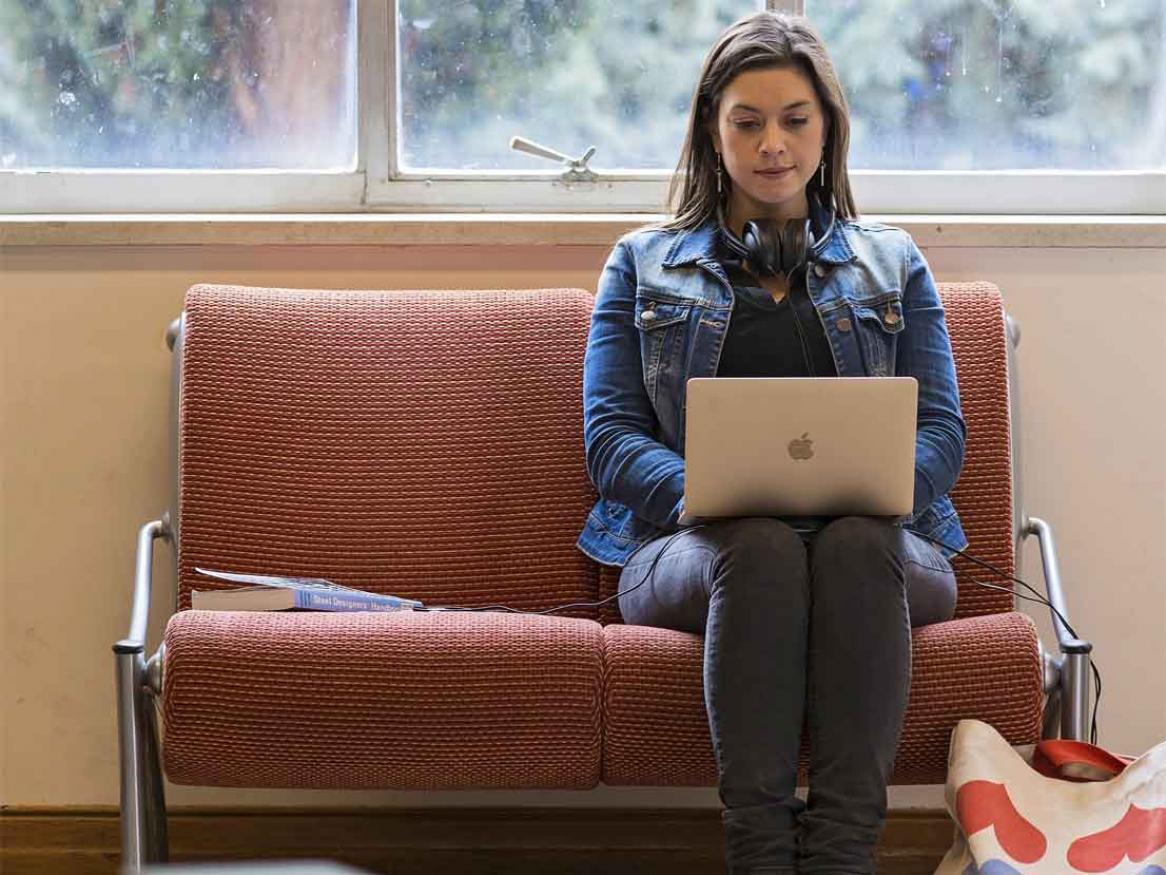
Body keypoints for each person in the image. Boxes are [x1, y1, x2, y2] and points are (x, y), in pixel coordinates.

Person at [574, 11, 969, 875]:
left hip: (879, 544)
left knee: (858, 542)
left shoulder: (894, 261)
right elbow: (609, 438)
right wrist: (703, 489)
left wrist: (881, 485)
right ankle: (756, 854)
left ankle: (839, 856)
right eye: (746, 122)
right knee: (756, 545)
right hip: (691, 547)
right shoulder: (641, 262)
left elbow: (943, 430)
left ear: (827, 129)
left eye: (794, 119)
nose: (772, 145)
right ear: (713, 133)